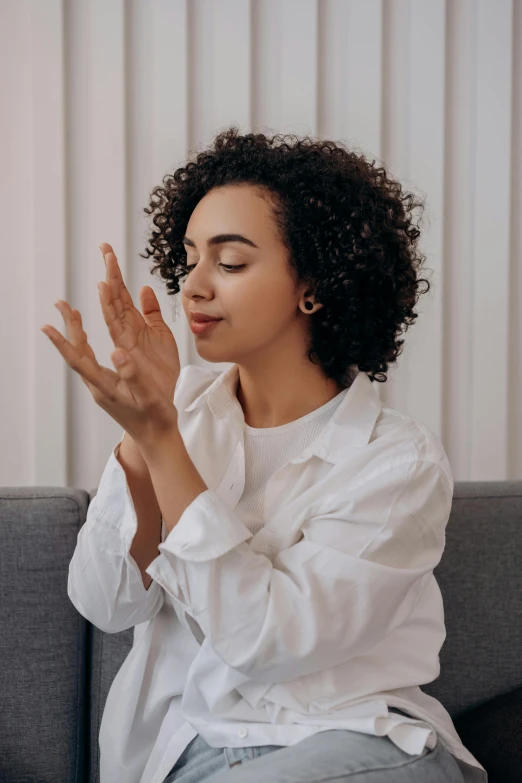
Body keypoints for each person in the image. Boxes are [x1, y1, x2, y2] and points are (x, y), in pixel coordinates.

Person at [67, 127, 487, 783]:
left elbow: (263, 638)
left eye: (229, 263)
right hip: (196, 747)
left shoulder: (398, 463)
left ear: (313, 287)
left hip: (358, 737)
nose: (195, 286)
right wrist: (142, 430)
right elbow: (106, 602)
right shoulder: (181, 416)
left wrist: (161, 437)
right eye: (189, 259)